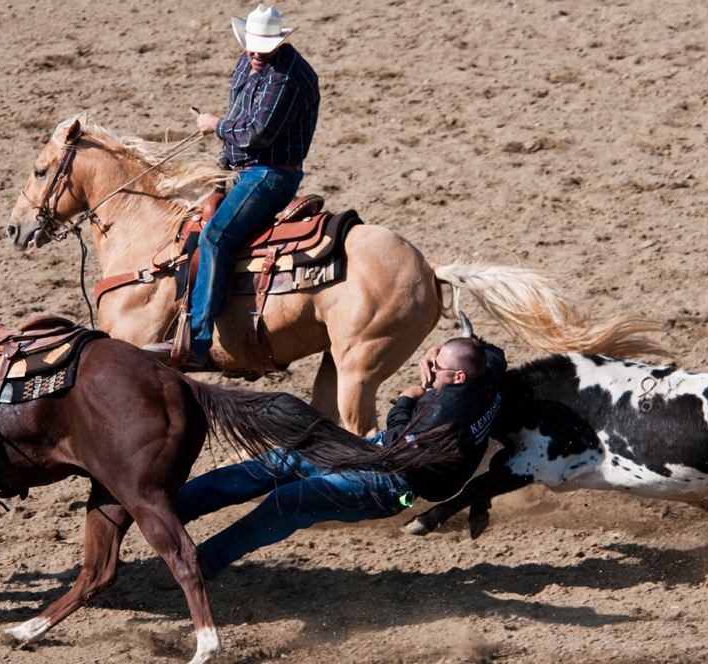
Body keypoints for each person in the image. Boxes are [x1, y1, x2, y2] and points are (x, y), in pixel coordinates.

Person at [176, 337, 506, 579]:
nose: (430, 370)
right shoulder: (487, 370)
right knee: (282, 460)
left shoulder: (442, 416)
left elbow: (396, 445)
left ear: (459, 377)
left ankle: (202, 564)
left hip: (391, 479)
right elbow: (490, 350)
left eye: (436, 368)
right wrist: (435, 353)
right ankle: (173, 508)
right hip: (377, 454)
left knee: (290, 500)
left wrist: (408, 396)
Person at [144, 4, 320, 370]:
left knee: (215, 238)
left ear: (278, 44)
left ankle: (198, 340)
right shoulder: (247, 62)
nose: (255, 53)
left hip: (271, 175)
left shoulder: (288, 78)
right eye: (252, 45)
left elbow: (255, 133)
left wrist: (215, 125)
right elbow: (240, 109)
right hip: (242, 169)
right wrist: (220, 169)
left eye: (263, 48)